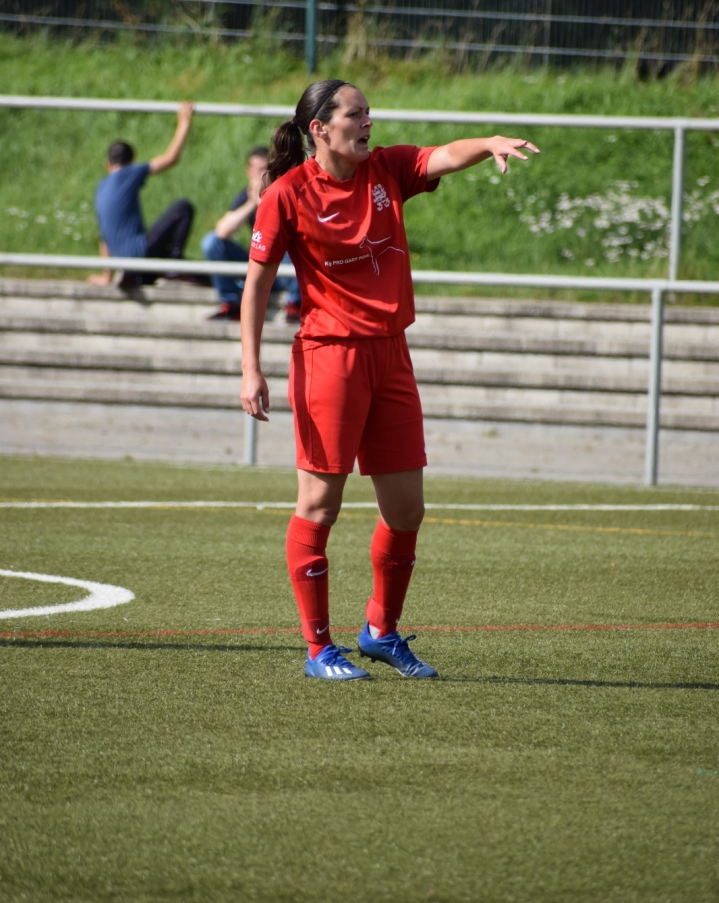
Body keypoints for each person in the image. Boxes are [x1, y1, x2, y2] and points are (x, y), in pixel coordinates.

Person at [240, 79, 539, 681]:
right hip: (329, 358)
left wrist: (489, 143)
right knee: (319, 506)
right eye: (355, 115)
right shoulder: (287, 194)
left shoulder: (386, 169)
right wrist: (251, 367)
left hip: (391, 356)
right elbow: (257, 285)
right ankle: (319, 649)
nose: (367, 123)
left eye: (368, 113)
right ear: (320, 128)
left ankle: (380, 631)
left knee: (407, 511)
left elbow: (442, 156)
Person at [91, 102, 195, 287]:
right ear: (132, 161)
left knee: (190, 268)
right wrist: (184, 122)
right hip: (138, 253)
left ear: (107, 165)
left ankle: (140, 274)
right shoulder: (128, 172)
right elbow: (170, 158)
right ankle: (173, 267)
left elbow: (104, 238)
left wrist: (106, 276)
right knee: (183, 207)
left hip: (122, 262)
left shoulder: (101, 187)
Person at [201, 146, 301, 322]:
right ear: (249, 173)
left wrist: (265, 203)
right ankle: (231, 303)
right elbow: (222, 232)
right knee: (211, 242)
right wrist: (252, 203)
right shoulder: (245, 196)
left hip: (284, 268)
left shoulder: (286, 192)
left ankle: (295, 304)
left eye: (267, 169)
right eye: (259, 170)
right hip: (258, 266)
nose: (264, 175)